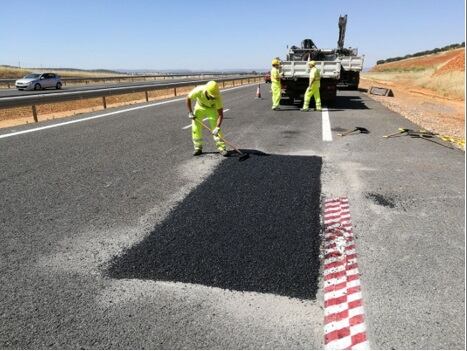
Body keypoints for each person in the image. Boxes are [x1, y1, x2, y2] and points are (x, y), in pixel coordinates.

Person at [186, 80, 228, 156]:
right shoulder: (198, 90)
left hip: (212, 109)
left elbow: (221, 114)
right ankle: (198, 148)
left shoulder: (217, 97)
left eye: (214, 97)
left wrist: (217, 128)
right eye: (211, 96)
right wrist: (190, 112)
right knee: (195, 128)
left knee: (215, 127)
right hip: (199, 107)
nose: (213, 98)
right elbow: (188, 98)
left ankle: (222, 148)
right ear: (207, 91)